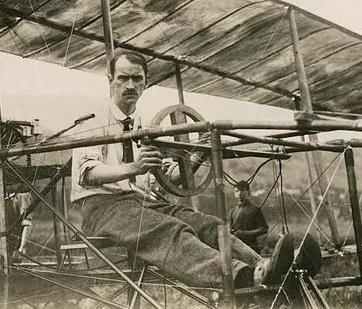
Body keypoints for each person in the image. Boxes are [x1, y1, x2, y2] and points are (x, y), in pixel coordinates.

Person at [71, 50, 319, 290]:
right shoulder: (92, 120)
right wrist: (134, 167)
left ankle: (265, 266)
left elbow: (170, 178)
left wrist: (199, 154)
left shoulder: (143, 125)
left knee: (208, 224)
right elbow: (88, 174)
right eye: (123, 78)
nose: (130, 85)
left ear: (146, 82)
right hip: (101, 208)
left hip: (140, 203)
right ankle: (244, 276)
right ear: (110, 80)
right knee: (168, 229)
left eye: (137, 78)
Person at [229, 180, 268, 253]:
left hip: (252, 248)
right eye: (237, 191)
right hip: (237, 250)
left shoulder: (255, 209)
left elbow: (264, 229)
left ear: (248, 192)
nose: (239, 193)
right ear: (234, 194)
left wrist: (244, 233)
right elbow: (231, 230)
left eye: (242, 190)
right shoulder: (232, 211)